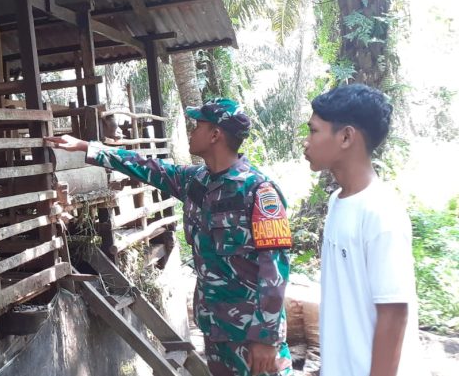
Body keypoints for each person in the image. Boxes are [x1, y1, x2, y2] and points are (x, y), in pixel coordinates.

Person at [47, 98, 293, 376]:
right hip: (216, 332)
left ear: (215, 135)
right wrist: (86, 147)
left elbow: (276, 271)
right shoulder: (195, 181)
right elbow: (146, 166)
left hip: (253, 337)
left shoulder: (258, 191)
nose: (192, 131)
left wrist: (266, 337)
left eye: (198, 125)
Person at [304, 84, 426, 376]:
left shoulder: (381, 211)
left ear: (346, 137)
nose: (306, 142)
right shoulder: (337, 202)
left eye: (314, 131)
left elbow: (394, 314)